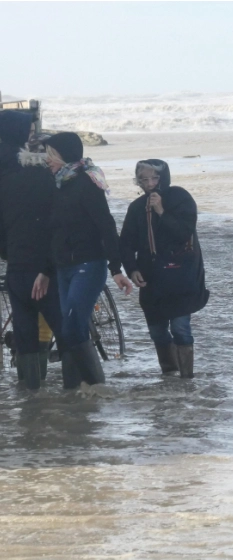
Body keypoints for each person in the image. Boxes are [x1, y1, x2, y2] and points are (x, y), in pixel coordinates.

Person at [43, 132, 134, 388]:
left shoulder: (87, 183)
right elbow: (53, 231)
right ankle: (76, 388)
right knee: (70, 330)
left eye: (51, 155)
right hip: (63, 268)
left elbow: (106, 225)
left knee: (71, 327)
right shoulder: (57, 184)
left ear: (64, 156)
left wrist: (116, 268)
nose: (47, 160)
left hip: (89, 264)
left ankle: (95, 384)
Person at [119, 159, 209, 378]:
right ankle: (169, 374)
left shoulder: (180, 198)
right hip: (151, 278)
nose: (149, 184)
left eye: (154, 178)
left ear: (163, 178)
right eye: (143, 179)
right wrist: (131, 269)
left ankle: (187, 378)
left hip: (182, 275)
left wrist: (161, 211)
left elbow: (184, 232)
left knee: (180, 327)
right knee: (157, 331)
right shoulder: (136, 208)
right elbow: (126, 243)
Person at [0, 111, 68, 390]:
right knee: (66, 329)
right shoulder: (26, 170)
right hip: (38, 256)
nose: (31, 138)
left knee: (26, 327)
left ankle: (31, 396)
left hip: (16, 257)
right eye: (28, 132)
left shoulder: (11, 169)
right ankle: (80, 389)